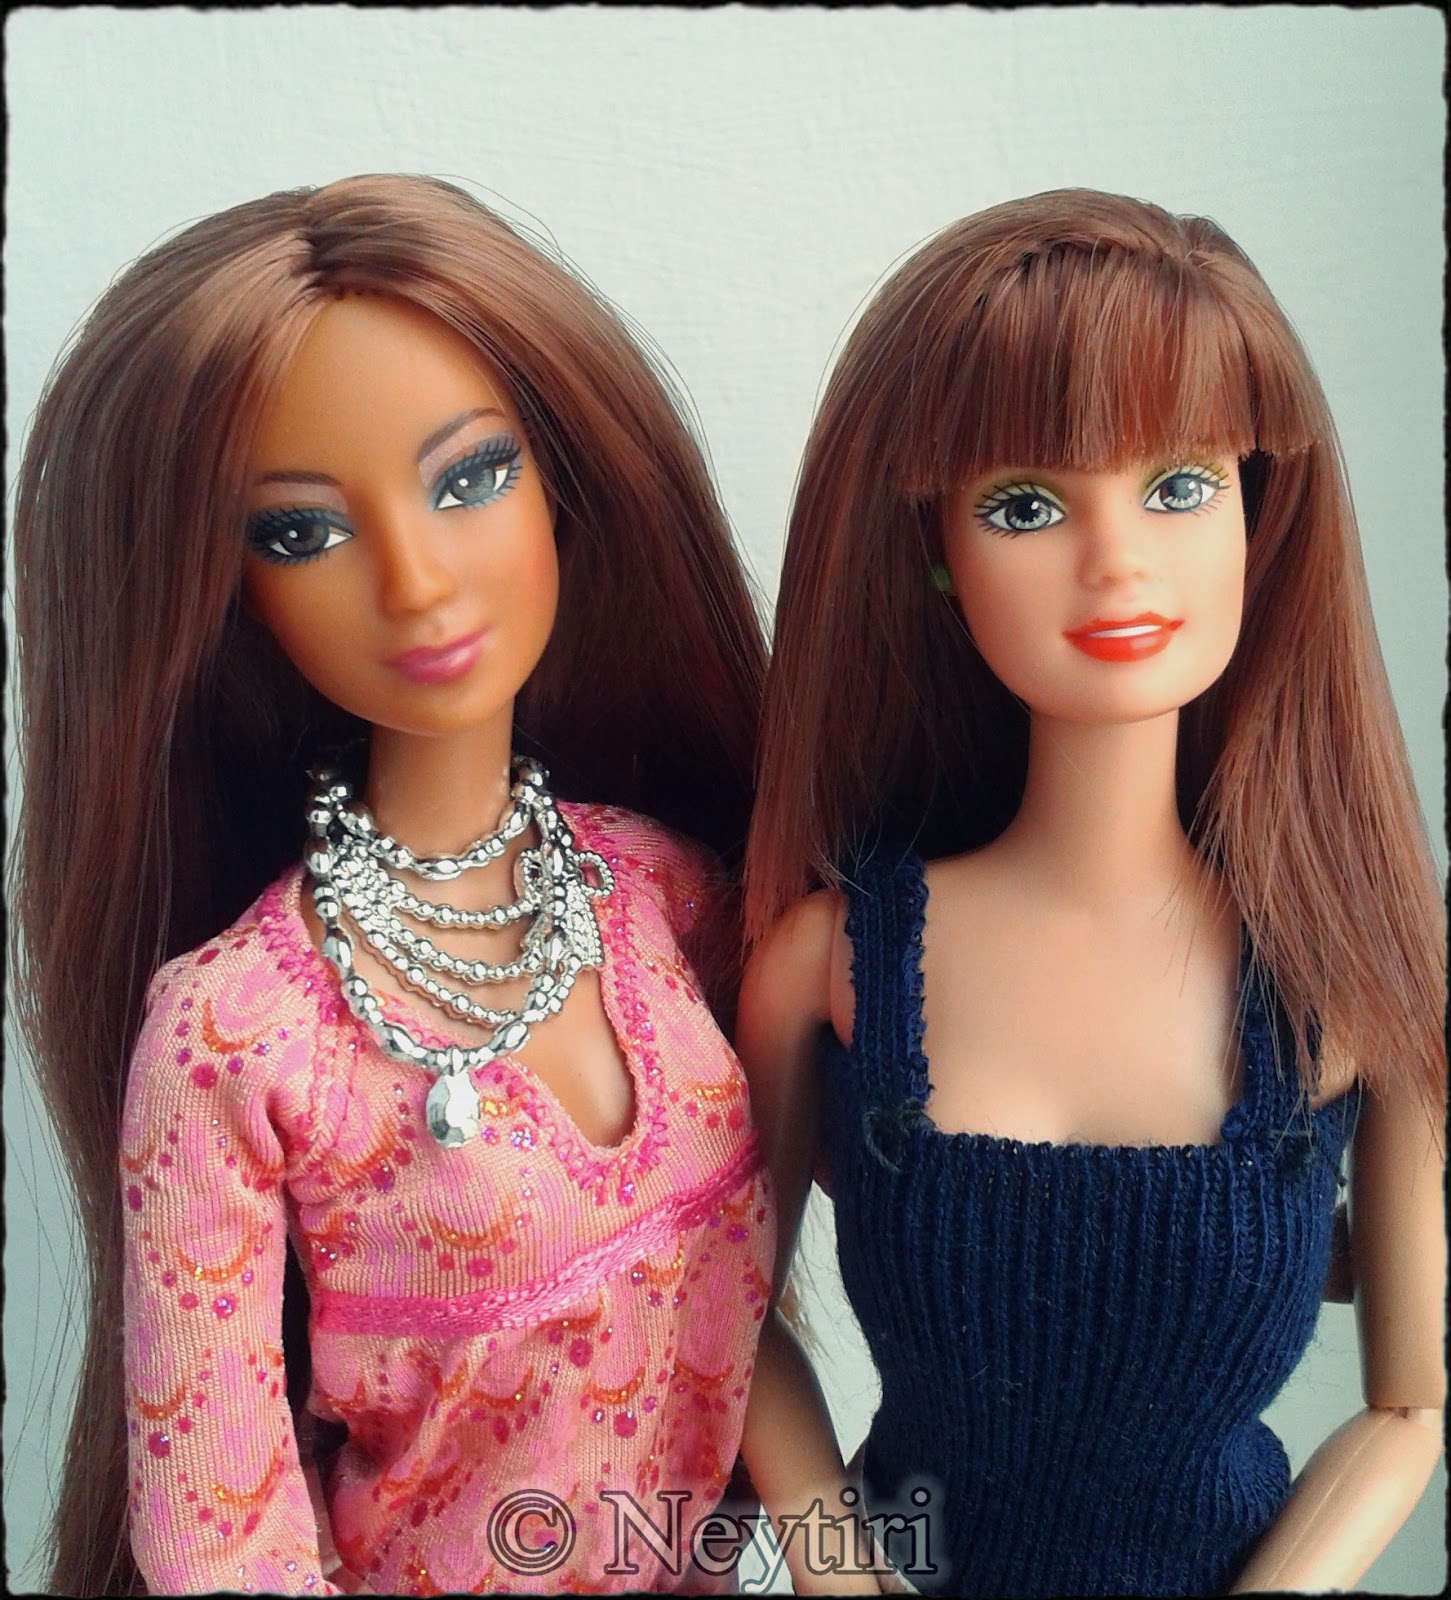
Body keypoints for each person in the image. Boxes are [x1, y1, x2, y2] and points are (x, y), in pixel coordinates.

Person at [11, 173, 776, 1596]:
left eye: (470, 478)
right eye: (301, 533)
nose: (418, 580)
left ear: (568, 484)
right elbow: (221, 1539)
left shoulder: (668, 897)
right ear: (222, 594)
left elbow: (740, 1304)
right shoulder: (236, 1035)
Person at [738, 189, 1445, 1596]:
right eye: (1025, 505)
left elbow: (1408, 1407)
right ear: (935, 554)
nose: (1117, 561)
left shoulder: (1347, 986)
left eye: (1180, 487)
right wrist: (837, 1573)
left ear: (1258, 511)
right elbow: (730, 1321)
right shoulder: (833, 964)